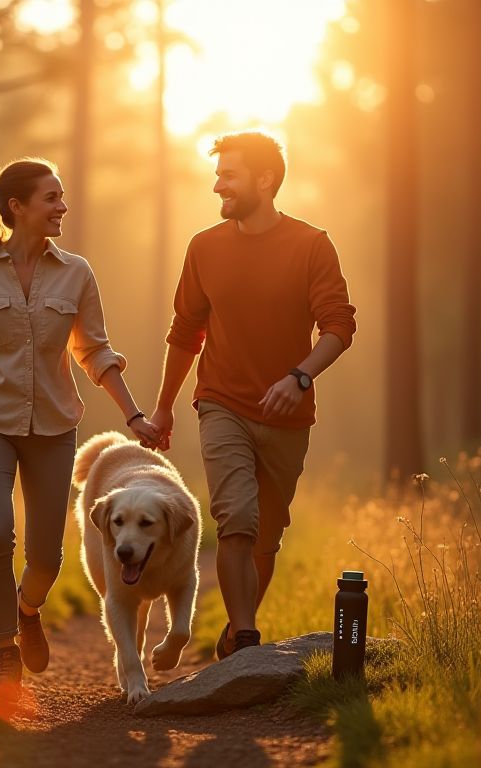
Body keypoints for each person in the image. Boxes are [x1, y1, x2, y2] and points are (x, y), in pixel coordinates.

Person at [0, 158, 160, 684]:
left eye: (61, 196)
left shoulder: (77, 273)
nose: (62, 207)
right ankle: (4, 648)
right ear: (17, 207)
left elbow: (95, 351)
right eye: (51, 198)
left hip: (53, 428)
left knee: (46, 557)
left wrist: (135, 416)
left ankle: (29, 611)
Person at [150, 132, 357, 659]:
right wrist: (165, 405)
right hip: (221, 403)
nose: (217, 184)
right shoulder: (205, 247)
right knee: (235, 519)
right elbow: (184, 332)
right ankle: (245, 638)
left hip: (289, 412)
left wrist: (300, 377)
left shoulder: (312, 245)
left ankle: (236, 632)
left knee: (267, 537)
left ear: (265, 180)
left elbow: (338, 327)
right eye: (217, 174)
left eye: (229, 174)